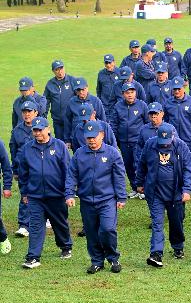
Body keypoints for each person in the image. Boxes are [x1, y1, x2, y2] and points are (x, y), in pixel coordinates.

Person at [65, 120, 127, 274]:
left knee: (107, 229)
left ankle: (113, 258)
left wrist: (121, 197)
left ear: (102, 135)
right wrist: (69, 194)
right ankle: (97, 261)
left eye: (94, 136)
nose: (91, 140)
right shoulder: (79, 153)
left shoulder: (112, 153)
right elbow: (71, 175)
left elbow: (119, 177)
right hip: (87, 201)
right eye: (88, 137)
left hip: (107, 201)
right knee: (91, 232)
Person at [136, 123, 191, 267]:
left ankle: (178, 247)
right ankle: (156, 253)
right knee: (157, 223)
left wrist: (187, 190)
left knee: (176, 221)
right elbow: (142, 164)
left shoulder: (181, 147)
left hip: (176, 193)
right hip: (155, 192)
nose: (164, 145)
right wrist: (139, 183)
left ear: (173, 137)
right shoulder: (150, 145)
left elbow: (188, 169)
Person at [17, 117, 71, 268]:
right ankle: (33, 257)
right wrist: (24, 193)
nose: (37, 132)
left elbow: (68, 171)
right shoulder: (27, 149)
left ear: (48, 129)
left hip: (57, 195)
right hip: (35, 197)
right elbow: (23, 173)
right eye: (35, 130)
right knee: (35, 226)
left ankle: (65, 246)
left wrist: (68, 193)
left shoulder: (59, 146)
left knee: (59, 223)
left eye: (40, 129)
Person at [109, 83, 149, 199]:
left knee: (139, 165)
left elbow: (147, 123)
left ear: (135, 93)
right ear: (123, 94)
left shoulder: (142, 105)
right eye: (127, 93)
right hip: (123, 142)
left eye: (132, 92)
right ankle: (134, 188)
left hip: (138, 141)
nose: (130, 95)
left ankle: (143, 188)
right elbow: (114, 124)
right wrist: (114, 141)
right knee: (128, 165)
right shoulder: (118, 106)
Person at [163, 77, 191, 187]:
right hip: (173, 139)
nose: (176, 91)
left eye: (179, 89)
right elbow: (165, 121)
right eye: (174, 89)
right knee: (174, 160)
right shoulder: (168, 103)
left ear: (184, 87)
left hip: (189, 138)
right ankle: (178, 181)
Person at [10, 101, 39, 237]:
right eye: (24, 112)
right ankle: (23, 225)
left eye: (29, 111)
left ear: (36, 113)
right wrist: (15, 169)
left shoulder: (41, 128)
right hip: (23, 169)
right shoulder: (16, 131)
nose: (27, 114)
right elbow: (13, 150)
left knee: (43, 193)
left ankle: (46, 217)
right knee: (25, 195)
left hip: (39, 168)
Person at [43, 60, 76, 138]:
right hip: (57, 121)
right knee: (59, 144)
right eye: (57, 70)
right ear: (53, 71)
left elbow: (79, 98)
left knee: (74, 143)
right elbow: (46, 101)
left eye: (61, 68)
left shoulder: (72, 81)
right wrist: (44, 116)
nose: (59, 72)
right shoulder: (50, 84)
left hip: (71, 119)